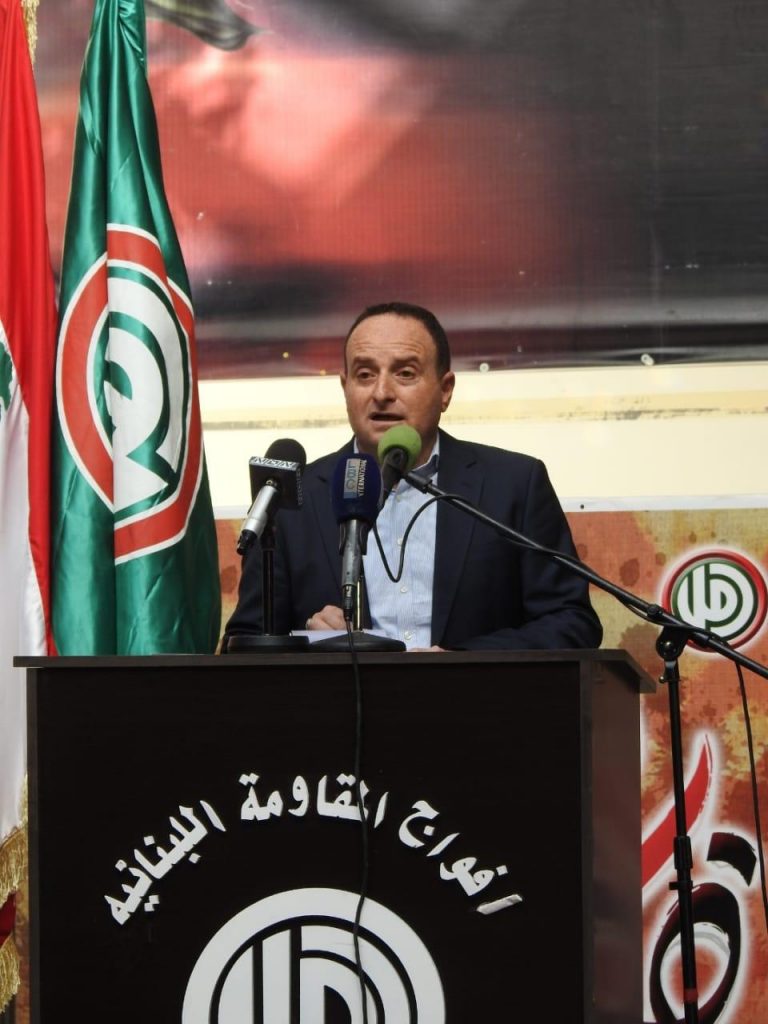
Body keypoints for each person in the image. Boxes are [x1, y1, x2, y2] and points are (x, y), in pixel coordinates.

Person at [225, 301, 602, 650]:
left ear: (445, 390)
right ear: (345, 387)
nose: (381, 392)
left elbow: (572, 623)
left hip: (475, 699)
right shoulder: (294, 499)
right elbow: (243, 641)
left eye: (405, 373)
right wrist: (311, 645)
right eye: (364, 374)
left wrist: (462, 661)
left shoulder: (513, 484)